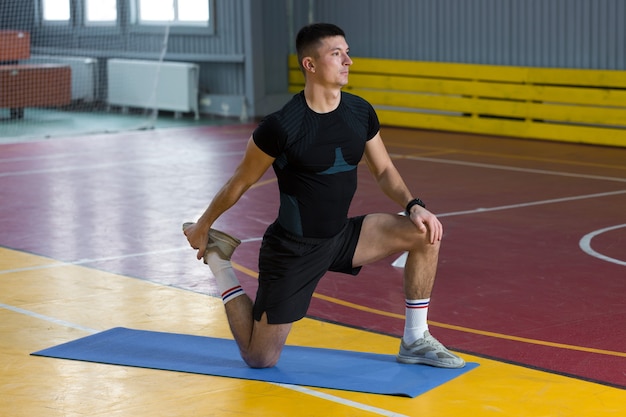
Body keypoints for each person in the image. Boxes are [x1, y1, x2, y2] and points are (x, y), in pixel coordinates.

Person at [184, 22, 465, 370]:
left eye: (347, 52)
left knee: (425, 232)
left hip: (342, 237)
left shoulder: (359, 112)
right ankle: (219, 260)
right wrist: (204, 225)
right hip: (293, 249)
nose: (348, 60)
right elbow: (239, 183)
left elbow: (384, 170)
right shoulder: (281, 126)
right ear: (310, 65)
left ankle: (415, 339)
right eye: (337, 54)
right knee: (260, 358)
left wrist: (414, 205)